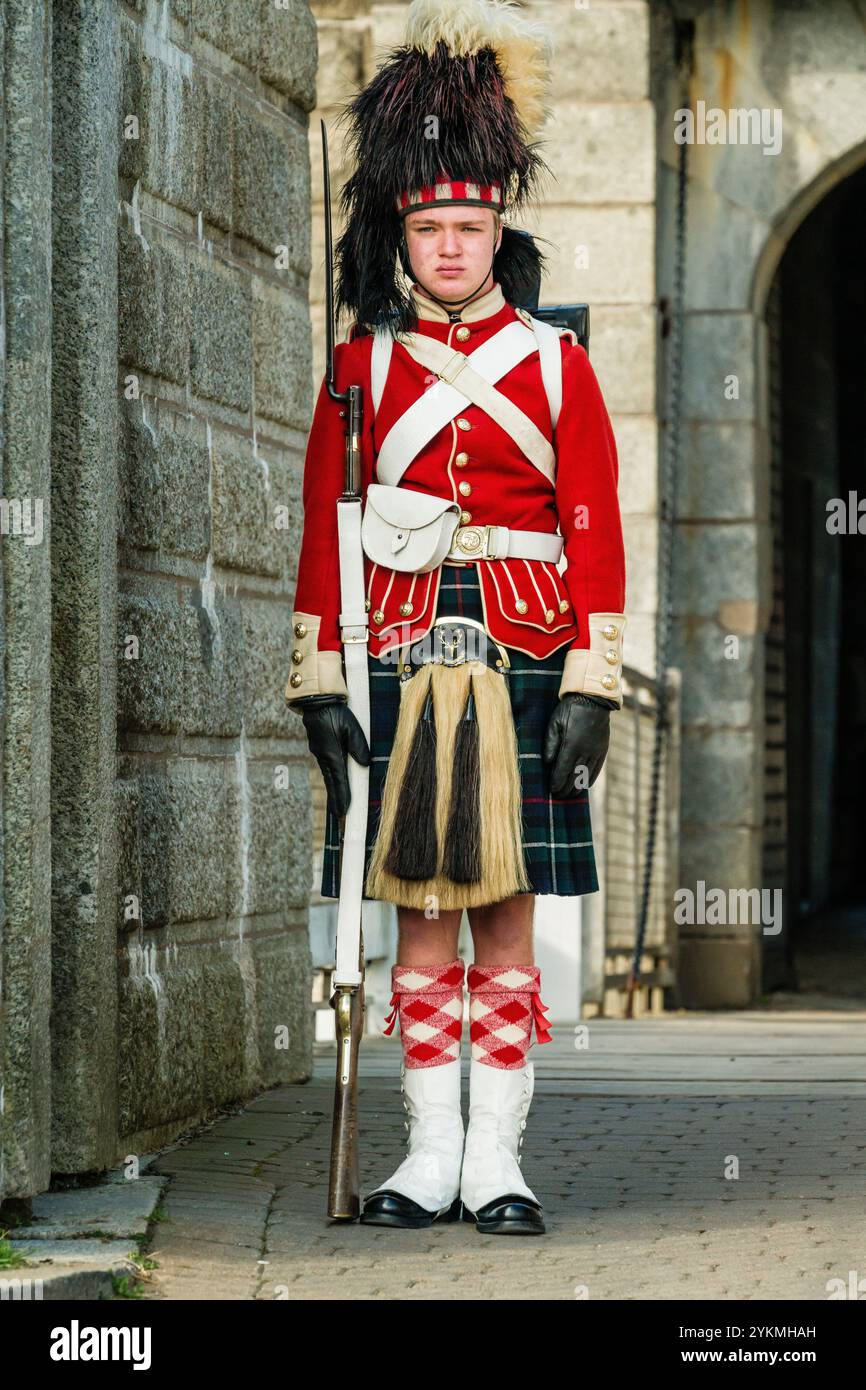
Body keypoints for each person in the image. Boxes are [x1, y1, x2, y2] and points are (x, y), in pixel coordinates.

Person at [285, 0, 626, 1235]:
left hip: (528, 650)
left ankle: (499, 1163)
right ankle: (428, 1160)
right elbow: (325, 530)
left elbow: (592, 523)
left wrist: (590, 682)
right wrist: (321, 683)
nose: (446, 247)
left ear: (497, 229)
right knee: (419, 914)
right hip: (400, 657)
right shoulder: (356, 370)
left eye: (466, 226)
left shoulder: (555, 364)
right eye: (425, 226)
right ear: (399, 230)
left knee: (504, 914)